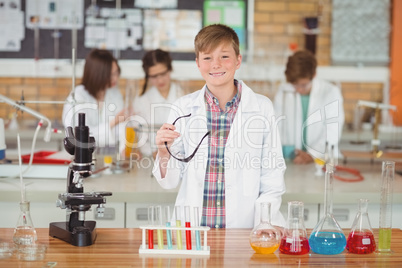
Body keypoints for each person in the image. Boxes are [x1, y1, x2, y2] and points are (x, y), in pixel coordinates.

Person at [153, 24, 286, 229]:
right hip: (193, 231)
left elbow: (272, 177)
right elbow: (169, 182)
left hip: (243, 229)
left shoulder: (261, 108)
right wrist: (163, 152)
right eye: (207, 58)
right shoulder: (183, 108)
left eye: (224, 56)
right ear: (198, 63)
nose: (215, 64)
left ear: (238, 60)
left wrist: (264, 225)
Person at [274, 50, 345, 165]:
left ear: (314, 75)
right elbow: (277, 126)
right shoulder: (284, 91)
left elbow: (332, 131)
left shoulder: (330, 92)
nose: (298, 89)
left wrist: (312, 154)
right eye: (294, 84)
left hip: (323, 161)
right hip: (293, 160)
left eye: (303, 85)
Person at [62, 49, 128, 149]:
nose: (115, 78)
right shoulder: (78, 96)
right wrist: (114, 122)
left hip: (109, 154)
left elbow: (121, 130)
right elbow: (80, 137)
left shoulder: (114, 93)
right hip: (81, 155)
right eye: (110, 75)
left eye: (116, 73)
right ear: (96, 74)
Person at [131, 49, 184, 159]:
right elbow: (140, 136)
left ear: (170, 69)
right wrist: (154, 151)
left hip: (181, 158)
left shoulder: (184, 97)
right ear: (147, 76)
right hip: (152, 160)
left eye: (163, 74)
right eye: (154, 76)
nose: (160, 80)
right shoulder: (141, 101)